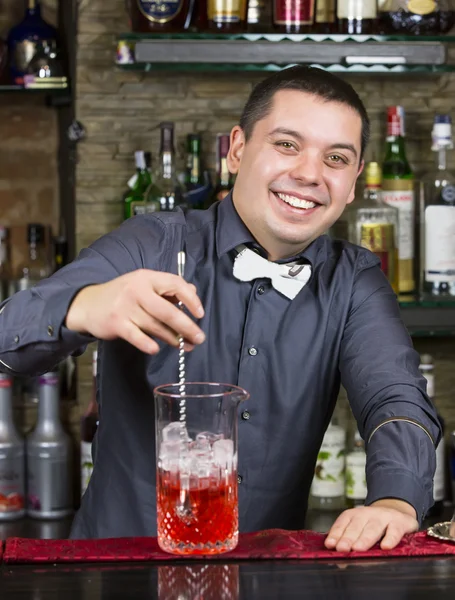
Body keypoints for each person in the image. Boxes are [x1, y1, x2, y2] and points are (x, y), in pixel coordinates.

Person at [0, 66, 440, 552]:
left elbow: (395, 399)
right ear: (236, 149)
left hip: (265, 579)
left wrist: (396, 501)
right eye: (287, 145)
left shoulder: (353, 280)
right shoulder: (153, 243)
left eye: (336, 158)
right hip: (116, 572)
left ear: (354, 181)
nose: (310, 174)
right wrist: (82, 306)